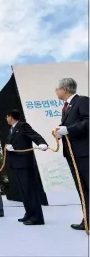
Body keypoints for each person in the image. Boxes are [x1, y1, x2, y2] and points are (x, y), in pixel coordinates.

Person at [55, 78, 89, 231]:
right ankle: (87, 220)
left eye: (57, 89)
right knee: (82, 189)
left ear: (65, 89)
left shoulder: (82, 101)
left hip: (84, 153)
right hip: (72, 154)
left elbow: (88, 121)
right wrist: (61, 132)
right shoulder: (66, 107)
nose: (56, 92)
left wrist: (69, 129)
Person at [5, 109, 48, 225]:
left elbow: (35, 135)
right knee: (24, 192)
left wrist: (42, 143)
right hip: (17, 164)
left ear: (10, 116)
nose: (6, 119)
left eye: (7, 116)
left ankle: (37, 218)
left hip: (25, 163)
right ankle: (29, 213)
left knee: (30, 191)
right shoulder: (11, 129)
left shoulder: (22, 126)